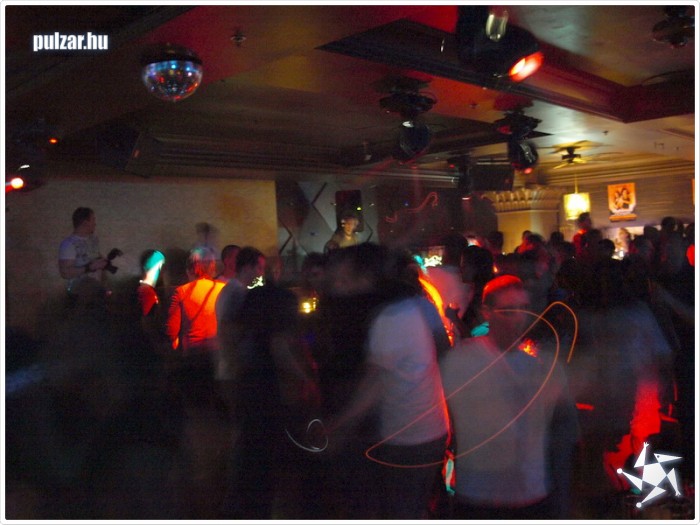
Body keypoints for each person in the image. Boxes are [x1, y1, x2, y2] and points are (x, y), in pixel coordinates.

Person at [440, 275, 579, 519]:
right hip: (477, 498)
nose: (518, 318)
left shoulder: (544, 368)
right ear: (486, 312)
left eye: (524, 309)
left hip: (531, 496)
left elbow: (564, 435)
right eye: (508, 311)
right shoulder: (461, 361)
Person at [165, 247, 226, 408]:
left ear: (190, 268)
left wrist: (175, 347)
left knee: (197, 403)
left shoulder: (181, 291)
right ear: (212, 266)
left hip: (193, 355)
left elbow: (171, 330)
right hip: (219, 353)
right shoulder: (223, 289)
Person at [58, 207, 109, 296]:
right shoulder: (68, 244)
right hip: (79, 295)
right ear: (85, 223)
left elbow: (95, 257)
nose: (95, 223)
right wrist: (89, 268)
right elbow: (65, 273)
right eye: (93, 220)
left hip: (96, 291)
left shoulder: (93, 240)